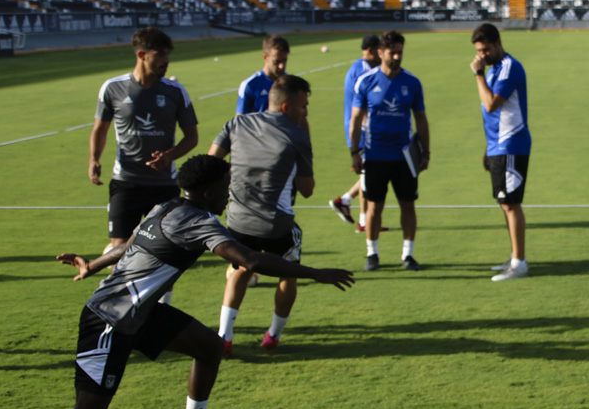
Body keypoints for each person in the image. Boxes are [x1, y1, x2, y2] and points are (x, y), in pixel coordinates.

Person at [0, 155, 354, 409]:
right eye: (225, 188)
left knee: (208, 346)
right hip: (110, 320)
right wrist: (313, 272)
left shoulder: (165, 207)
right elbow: (248, 260)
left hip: (142, 313)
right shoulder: (198, 220)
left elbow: (130, 244)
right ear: (207, 192)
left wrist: (94, 263)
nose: (228, 196)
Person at [210, 75, 315, 354]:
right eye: (303, 106)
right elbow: (307, 190)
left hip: (236, 221)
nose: (306, 112)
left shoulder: (236, 124)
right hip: (275, 225)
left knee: (239, 271)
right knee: (288, 274)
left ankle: (225, 336)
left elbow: (210, 163)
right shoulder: (296, 137)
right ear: (286, 107)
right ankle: (273, 335)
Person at [89, 27, 199, 262]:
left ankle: (154, 299)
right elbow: (100, 129)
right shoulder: (113, 88)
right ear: (142, 55)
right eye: (160, 55)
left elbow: (192, 137)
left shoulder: (175, 92)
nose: (166, 61)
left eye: (168, 55)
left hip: (164, 185)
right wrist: (94, 159)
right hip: (126, 183)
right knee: (119, 253)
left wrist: (169, 156)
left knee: (163, 253)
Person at [349, 30, 430, 272]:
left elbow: (421, 119)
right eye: (392, 52)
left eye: (400, 52)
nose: (397, 57)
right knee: (374, 206)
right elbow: (355, 119)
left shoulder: (412, 82)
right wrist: (354, 151)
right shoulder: (366, 81)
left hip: (404, 156)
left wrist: (426, 152)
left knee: (408, 205)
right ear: (380, 52)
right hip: (375, 155)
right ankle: (372, 253)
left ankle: (408, 254)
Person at [470, 23, 530, 282]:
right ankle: (514, 256)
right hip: (498, 146)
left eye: (485, 49)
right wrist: (488, 148)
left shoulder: (508, 68)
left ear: (497, 43)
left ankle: (520, 262)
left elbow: (491, 104)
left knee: (511, 204)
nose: (482, 55)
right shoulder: (495, 69)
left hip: (512, 146)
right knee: (504, 204)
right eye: (479, 51)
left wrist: (478, 75)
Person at [330, 35, 388, 234]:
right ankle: (364, 221)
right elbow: (364, 106)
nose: (383, 56)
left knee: (368, 173)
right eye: (380, 51)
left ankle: (345, 201)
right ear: (372, 50)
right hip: (363, 133)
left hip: (358, 130)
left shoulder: (357, 67)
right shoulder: (365, 71)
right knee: (369, 176)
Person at [236, 35, 291, 116]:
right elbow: (240, 121)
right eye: (277, 61)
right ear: (265, 57)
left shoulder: (291, 83)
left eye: (284, 60)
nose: (281, 66)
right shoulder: (250, 85)